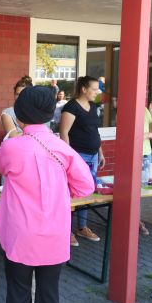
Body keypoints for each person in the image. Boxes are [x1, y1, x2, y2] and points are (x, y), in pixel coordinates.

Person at [0, 86, 94, 303]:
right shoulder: (61, 147)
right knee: (49, 293)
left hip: (20, 233)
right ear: (51, 113)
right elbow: (85, 186)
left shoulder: (12, 147)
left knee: (18, 291)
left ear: (20, 113)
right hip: (55, 232)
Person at [59, 76, 104, 246]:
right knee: (72, 193)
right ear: (84, 89)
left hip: (93, 156)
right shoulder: (71, 107)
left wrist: (100, 151)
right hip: (78, 156)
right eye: (94, 89)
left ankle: (82, 227)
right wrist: (71, 159)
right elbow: (64, 134)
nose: (97, 92)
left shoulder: (93, 106)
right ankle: (67, 230)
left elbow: (95, 131)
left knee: (87, 191)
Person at [140, 100, 152, 236]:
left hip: (146, 154)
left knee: (142, 190)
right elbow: (129, 136)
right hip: (135, 154)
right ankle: (135, 221)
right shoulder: (129, 110)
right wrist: (148, 135)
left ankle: (137, 220)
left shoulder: (145, 110)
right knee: (135, 190)